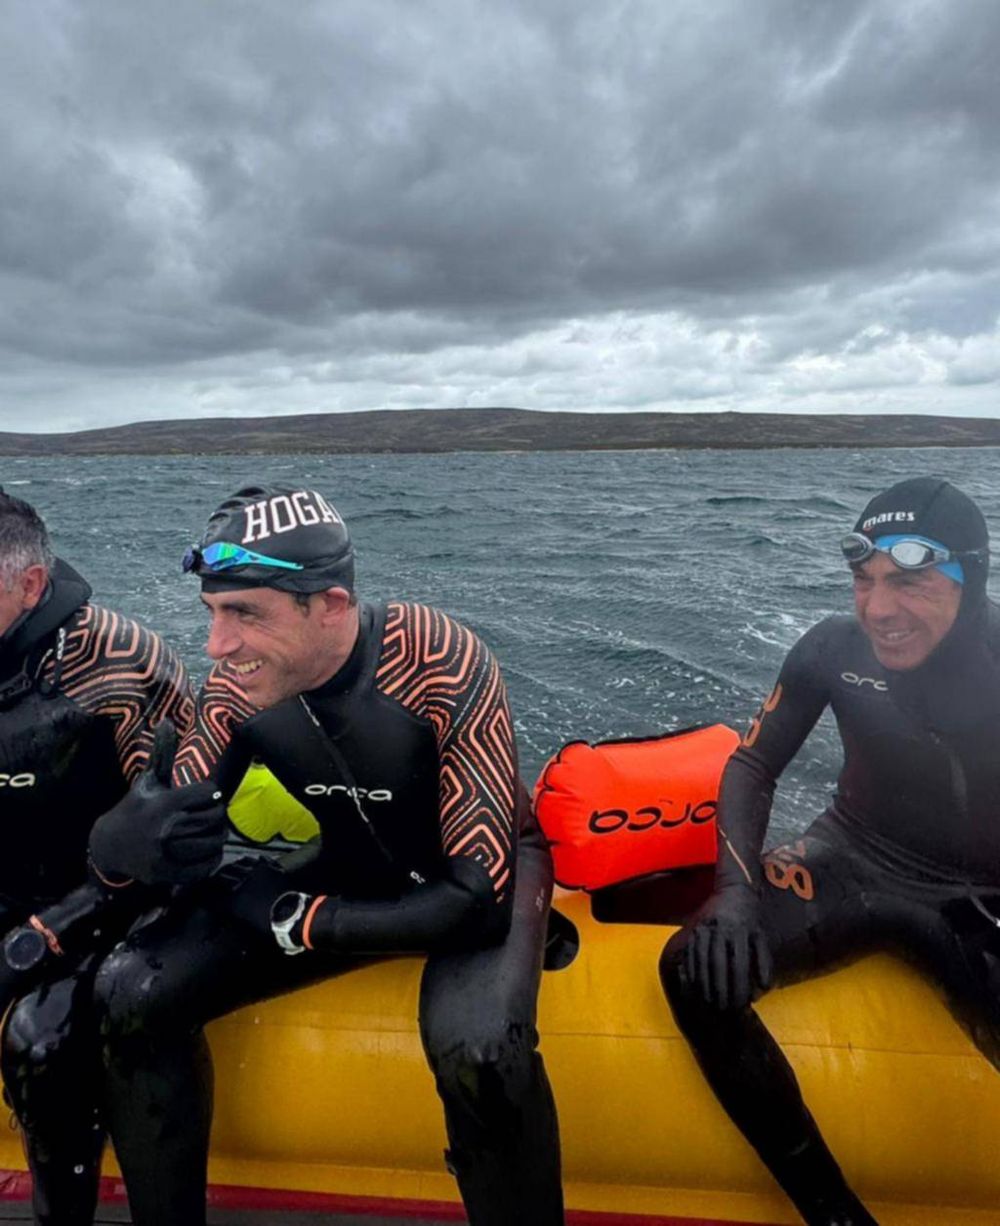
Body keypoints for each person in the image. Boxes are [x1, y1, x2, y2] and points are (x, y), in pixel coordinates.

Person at [89, 483, 564, 1226]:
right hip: (351, 866)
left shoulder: (432, 656)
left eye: (245, 613)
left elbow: (474, 901)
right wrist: (118, 846)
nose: (216, 646)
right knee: (128, 993)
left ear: (332, 606)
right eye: (212, 613)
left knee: (478, 1053)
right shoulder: (237, 689)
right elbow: (165, 838)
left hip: (475, 879)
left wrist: (298, 918)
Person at [660, 477, 1000, 1226]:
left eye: (907, 583)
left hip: (983, 900)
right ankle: (833, 1214)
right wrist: (735, 894)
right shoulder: (832, 649)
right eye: (864, 581)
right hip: (854, 857)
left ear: (969, 579)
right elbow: (753, 764)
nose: (879, 609)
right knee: (694, 970)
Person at [0, 488, 198, 1226]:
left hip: (104, 898)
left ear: (30, 585)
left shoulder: (119, 666)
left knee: (41, 1043)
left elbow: (170, 844)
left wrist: (43, 935)